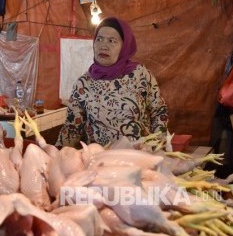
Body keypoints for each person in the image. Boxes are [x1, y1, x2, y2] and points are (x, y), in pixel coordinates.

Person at [55, 17, 168, 148]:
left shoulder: (140, 75)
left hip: (139, 157)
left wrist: (156, 144)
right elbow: (72, 128)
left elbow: (159, 111)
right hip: (101, 161)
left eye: (112, 41)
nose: (103, 46)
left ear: (124, 46)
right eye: (99, 39)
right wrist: (58, 153)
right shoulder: (84, 84)